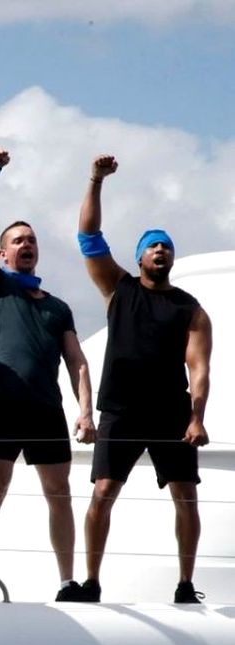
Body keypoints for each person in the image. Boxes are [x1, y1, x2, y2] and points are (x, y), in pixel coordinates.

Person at [76, 154, 211, 604]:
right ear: (139, 257)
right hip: (121, 409)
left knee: (185, 496)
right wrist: (96, 180)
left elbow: (199, 368)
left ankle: (186, 584)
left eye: (166, 246)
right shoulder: (120, 288)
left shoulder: (190, 309)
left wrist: (197, 417)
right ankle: (91, 581)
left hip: (171, 412)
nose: (160, 251)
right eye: (153, 246)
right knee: (103, 492)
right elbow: (88, 237)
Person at [0, 149, 97, 602]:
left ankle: (67, 581)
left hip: (46, 408)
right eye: (18, 241)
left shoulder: (58, 307)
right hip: (3, 401)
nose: (27, 245)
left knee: (59, 492)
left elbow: (77, 362)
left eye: (32, 240)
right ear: (4, 253)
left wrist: (86, 412)